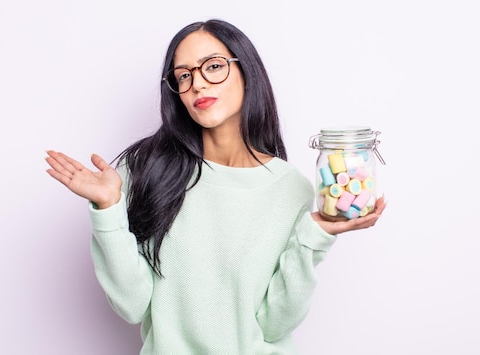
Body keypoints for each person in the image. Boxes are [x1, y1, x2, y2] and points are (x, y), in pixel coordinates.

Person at [45, 18, 386, 355]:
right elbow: (132, 306)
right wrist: (108, 208)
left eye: (213, 66)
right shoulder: (146, 168)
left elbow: (274, 324)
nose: (198, 84)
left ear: (246, 71)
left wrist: (317, 235)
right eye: (184, 75)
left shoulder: (291, 188)